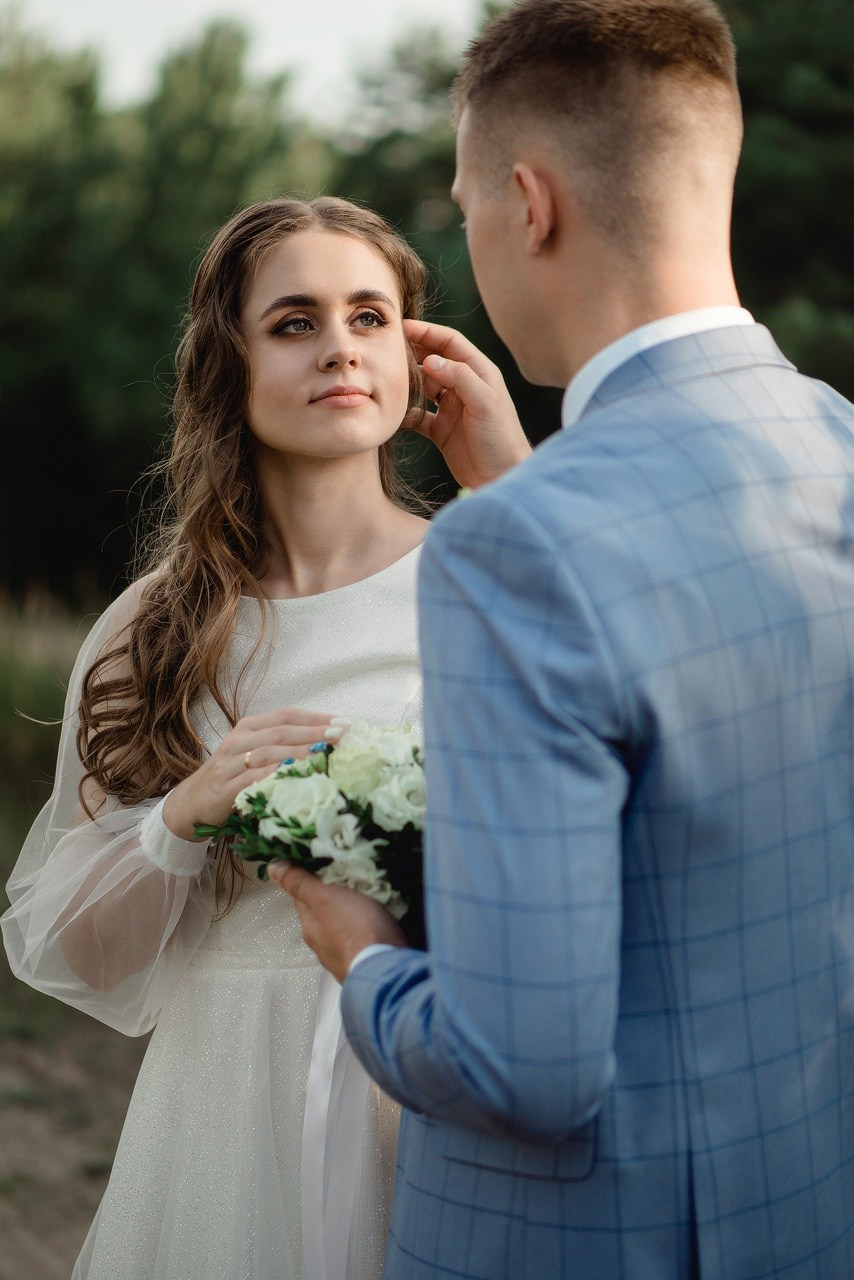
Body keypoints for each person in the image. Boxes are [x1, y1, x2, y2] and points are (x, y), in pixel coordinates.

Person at [270, 3, 854, 1277]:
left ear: (527, 204)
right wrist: (527, 481)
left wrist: (363, 959)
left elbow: (521, 1064)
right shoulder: (834, 441)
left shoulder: (512, 547)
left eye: (465, 205)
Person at [0, 195, 529, 1280]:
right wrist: (179, 819)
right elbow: (80, 954)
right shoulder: (154, 626)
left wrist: (518, 485)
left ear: (415, 353)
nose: (339, 346)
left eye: (369, 316)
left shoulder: (492, 577)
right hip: (223, 1103)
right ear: (227, 364)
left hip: (429, 1084)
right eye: (294, 322)